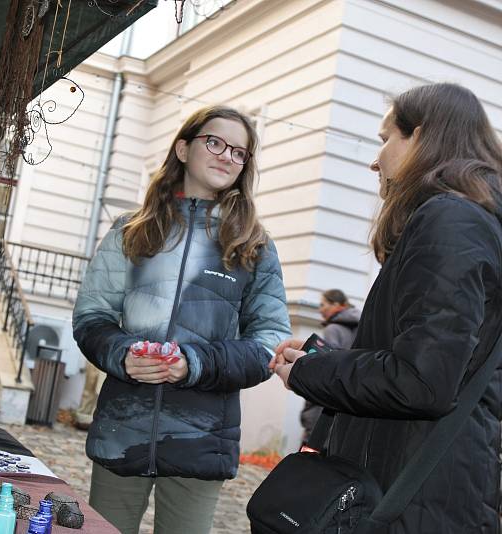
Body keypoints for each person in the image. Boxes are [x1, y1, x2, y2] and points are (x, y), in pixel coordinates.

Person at [272, 83, 502, 533]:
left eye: (384, 139)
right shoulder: (468, 222)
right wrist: (325, 359)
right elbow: (434, 357)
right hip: (424, 486)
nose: (375, 160)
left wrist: (310, 374)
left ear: (419, 136)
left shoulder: (450, 221)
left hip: (414, 496)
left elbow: (421, 382)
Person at [73, 105, 292, 534]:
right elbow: (91, 315)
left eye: (239, 152)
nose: (227, 156)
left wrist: (196, 363)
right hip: (123, 430)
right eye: (215, 142)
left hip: (201, 439)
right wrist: (123, 355)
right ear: (183, 148)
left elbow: (270, 341)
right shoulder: (129, 232)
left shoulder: (253, 245)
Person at [299, 289, 361, 442]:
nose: (320, 309)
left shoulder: (333, 328)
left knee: (313, 447)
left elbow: (327, 363)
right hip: (353, 391)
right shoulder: (361, 325)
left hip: (329, 394)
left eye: (323, 305)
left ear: (336, 305)